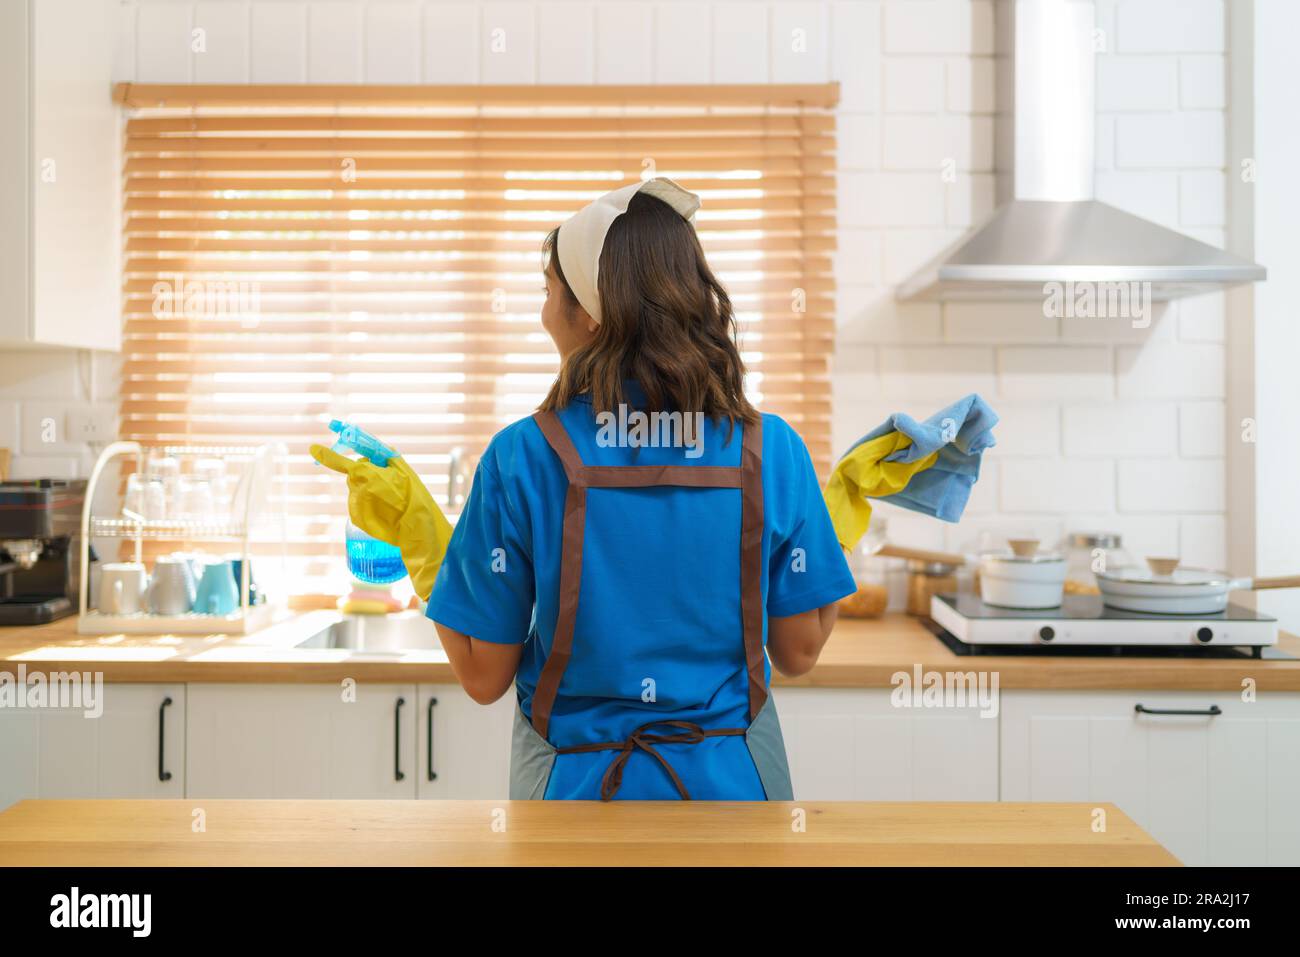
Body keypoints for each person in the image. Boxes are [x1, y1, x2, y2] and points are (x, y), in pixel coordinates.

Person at [316, 178, 856, 801]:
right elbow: (800, 649)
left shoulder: (523, 457)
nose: (543, 312)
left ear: (591, 315)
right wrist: (840, 510)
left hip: (573, 800)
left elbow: (483, 675)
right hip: (733, 799)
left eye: (548, 292)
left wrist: (422, 536)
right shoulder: (771, 449)